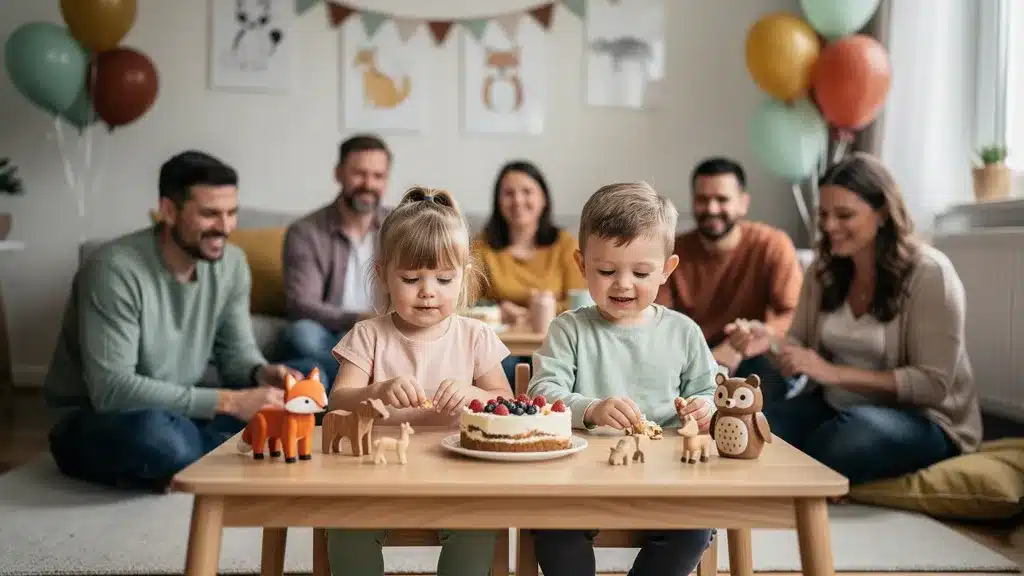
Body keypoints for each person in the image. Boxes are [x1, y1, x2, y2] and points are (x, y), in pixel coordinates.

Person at [42, 150, 299, 491]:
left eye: (232, 213)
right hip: (100, 419)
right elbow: (112, 390)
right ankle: (221, 450)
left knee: (304, 385)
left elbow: (236, 356)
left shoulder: (232, 264)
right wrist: (231, 402)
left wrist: (261, 373)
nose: (225, 228)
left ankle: (205, 453)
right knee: (161, 440)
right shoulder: (113, 271)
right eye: (209, 214)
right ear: (168, 211)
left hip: (178, 412)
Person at [725, 152, 982, 486]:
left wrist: (833, 373)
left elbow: (933, 384)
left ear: (882, 213)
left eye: (844, 215)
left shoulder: (931, 275)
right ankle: (813, 468)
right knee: (758, 428)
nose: (829, 226)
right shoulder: (823, 270)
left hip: (920, 418)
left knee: (848, 439)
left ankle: (813, 467)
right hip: (834, 406)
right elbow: (800, 349)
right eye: (824, 215)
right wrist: (770, 342)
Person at [527, 182, 716, 576]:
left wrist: (704, 407)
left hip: (667, 475)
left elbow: (711, 390)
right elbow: (542, 393)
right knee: (550, 524)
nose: (623, 283)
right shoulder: (569, 329)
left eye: (641, 272)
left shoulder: (684, 332)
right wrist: (591, 409)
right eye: (606, 271)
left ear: (667, 269)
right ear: (582, 266)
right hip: (579, 475)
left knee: (695, 528)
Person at [325, 187, 513, 576]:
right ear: (383, 275)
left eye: (444, 279)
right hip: (374, 475)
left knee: (478, 530)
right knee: (345, 530)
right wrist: (377, 391)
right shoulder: (368, 335)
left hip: (458, 474)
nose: (428, 291)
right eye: (411, 278)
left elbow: (506, 403)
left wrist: (473, 394)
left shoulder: (475, 336)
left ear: (464, 276)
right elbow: (337, 402)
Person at [656, 156, 804, 403]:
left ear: (743, 203)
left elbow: (791, 314)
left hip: (753, 356)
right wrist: (709, 358)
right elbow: (657, 321)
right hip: (692, 359)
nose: (712, 209)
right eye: (702, 200)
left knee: (763, 378)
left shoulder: (772, 245)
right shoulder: (673, 252)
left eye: (722, 199)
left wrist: (753, 338)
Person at [278, 134, 391, 389]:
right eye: (359, 174)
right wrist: (360, 318)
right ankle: (370, 381)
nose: (368, 184)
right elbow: (301, 304)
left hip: (385, 330)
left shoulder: (399, 226)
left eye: (378, 176)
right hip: (329, 332)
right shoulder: (305, 232)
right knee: (301, 335)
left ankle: (346, 381)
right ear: (338, 174)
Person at [473, 160, 586, 381]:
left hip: (554, 341)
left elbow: (580, 302)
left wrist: (539, 311)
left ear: (543, 199)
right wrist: (498, 310)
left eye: (527, 192)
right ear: (498, 202)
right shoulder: (481, 246)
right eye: (508, 193)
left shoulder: (565, 245)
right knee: (504, 365)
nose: (518, 200)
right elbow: (468, 301)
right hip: (501, 345)